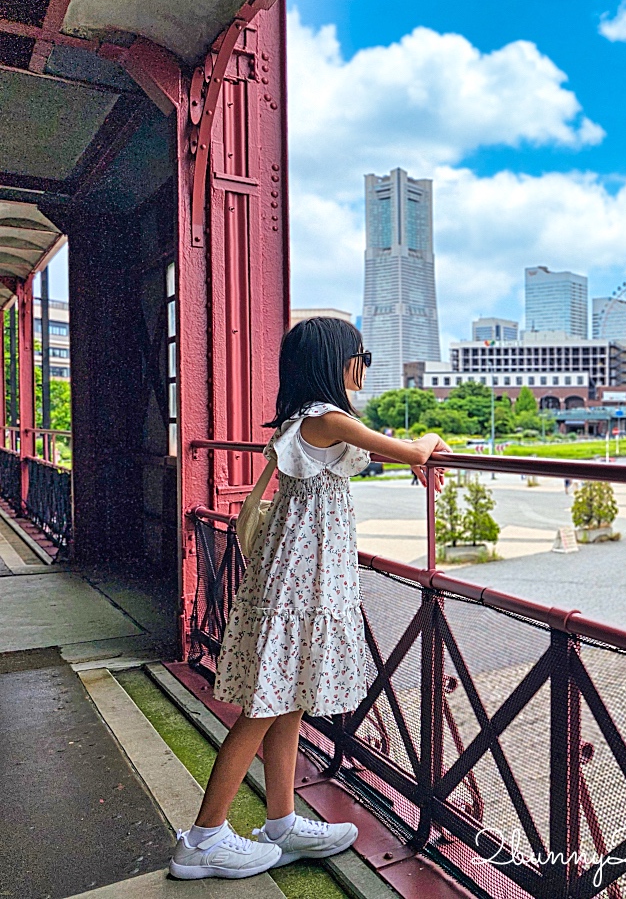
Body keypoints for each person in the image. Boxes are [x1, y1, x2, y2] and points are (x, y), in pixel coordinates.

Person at [170, 318, 450, 880]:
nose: (363, 367)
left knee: (285, 697)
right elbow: (404, 448)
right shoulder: (327, 419)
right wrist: (428, 445)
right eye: (360, 356)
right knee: (260, 708)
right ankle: (202, 840)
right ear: (338, 363)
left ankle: (282, 822)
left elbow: (390, 455)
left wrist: (416, 454)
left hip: (299, 578)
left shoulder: (308, 419)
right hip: (302, 582)